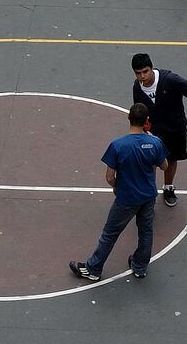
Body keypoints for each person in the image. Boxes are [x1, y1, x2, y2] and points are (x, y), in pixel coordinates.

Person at [70, 102, 166, 284]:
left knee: (110, 233)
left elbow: (109, 176)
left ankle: (93, 269)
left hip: (127, 197)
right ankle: (140, 267)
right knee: (146, 231)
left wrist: (116, 186)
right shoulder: (155, 142)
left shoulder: (118, 145)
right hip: (148, 196)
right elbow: (164, 166)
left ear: (128, 117)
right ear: (146, 120)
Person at [131, 52, 187, 210]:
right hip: (152, 132)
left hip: (175, 129)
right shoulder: (137, 87)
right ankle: (149, 194)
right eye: (138, 73)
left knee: (172, 159)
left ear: (151, 68)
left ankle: (168, 187)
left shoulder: (170, 80)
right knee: (149, 163)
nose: (142, 76)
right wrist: (140, 129)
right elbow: (139, 109)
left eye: (145, 71)